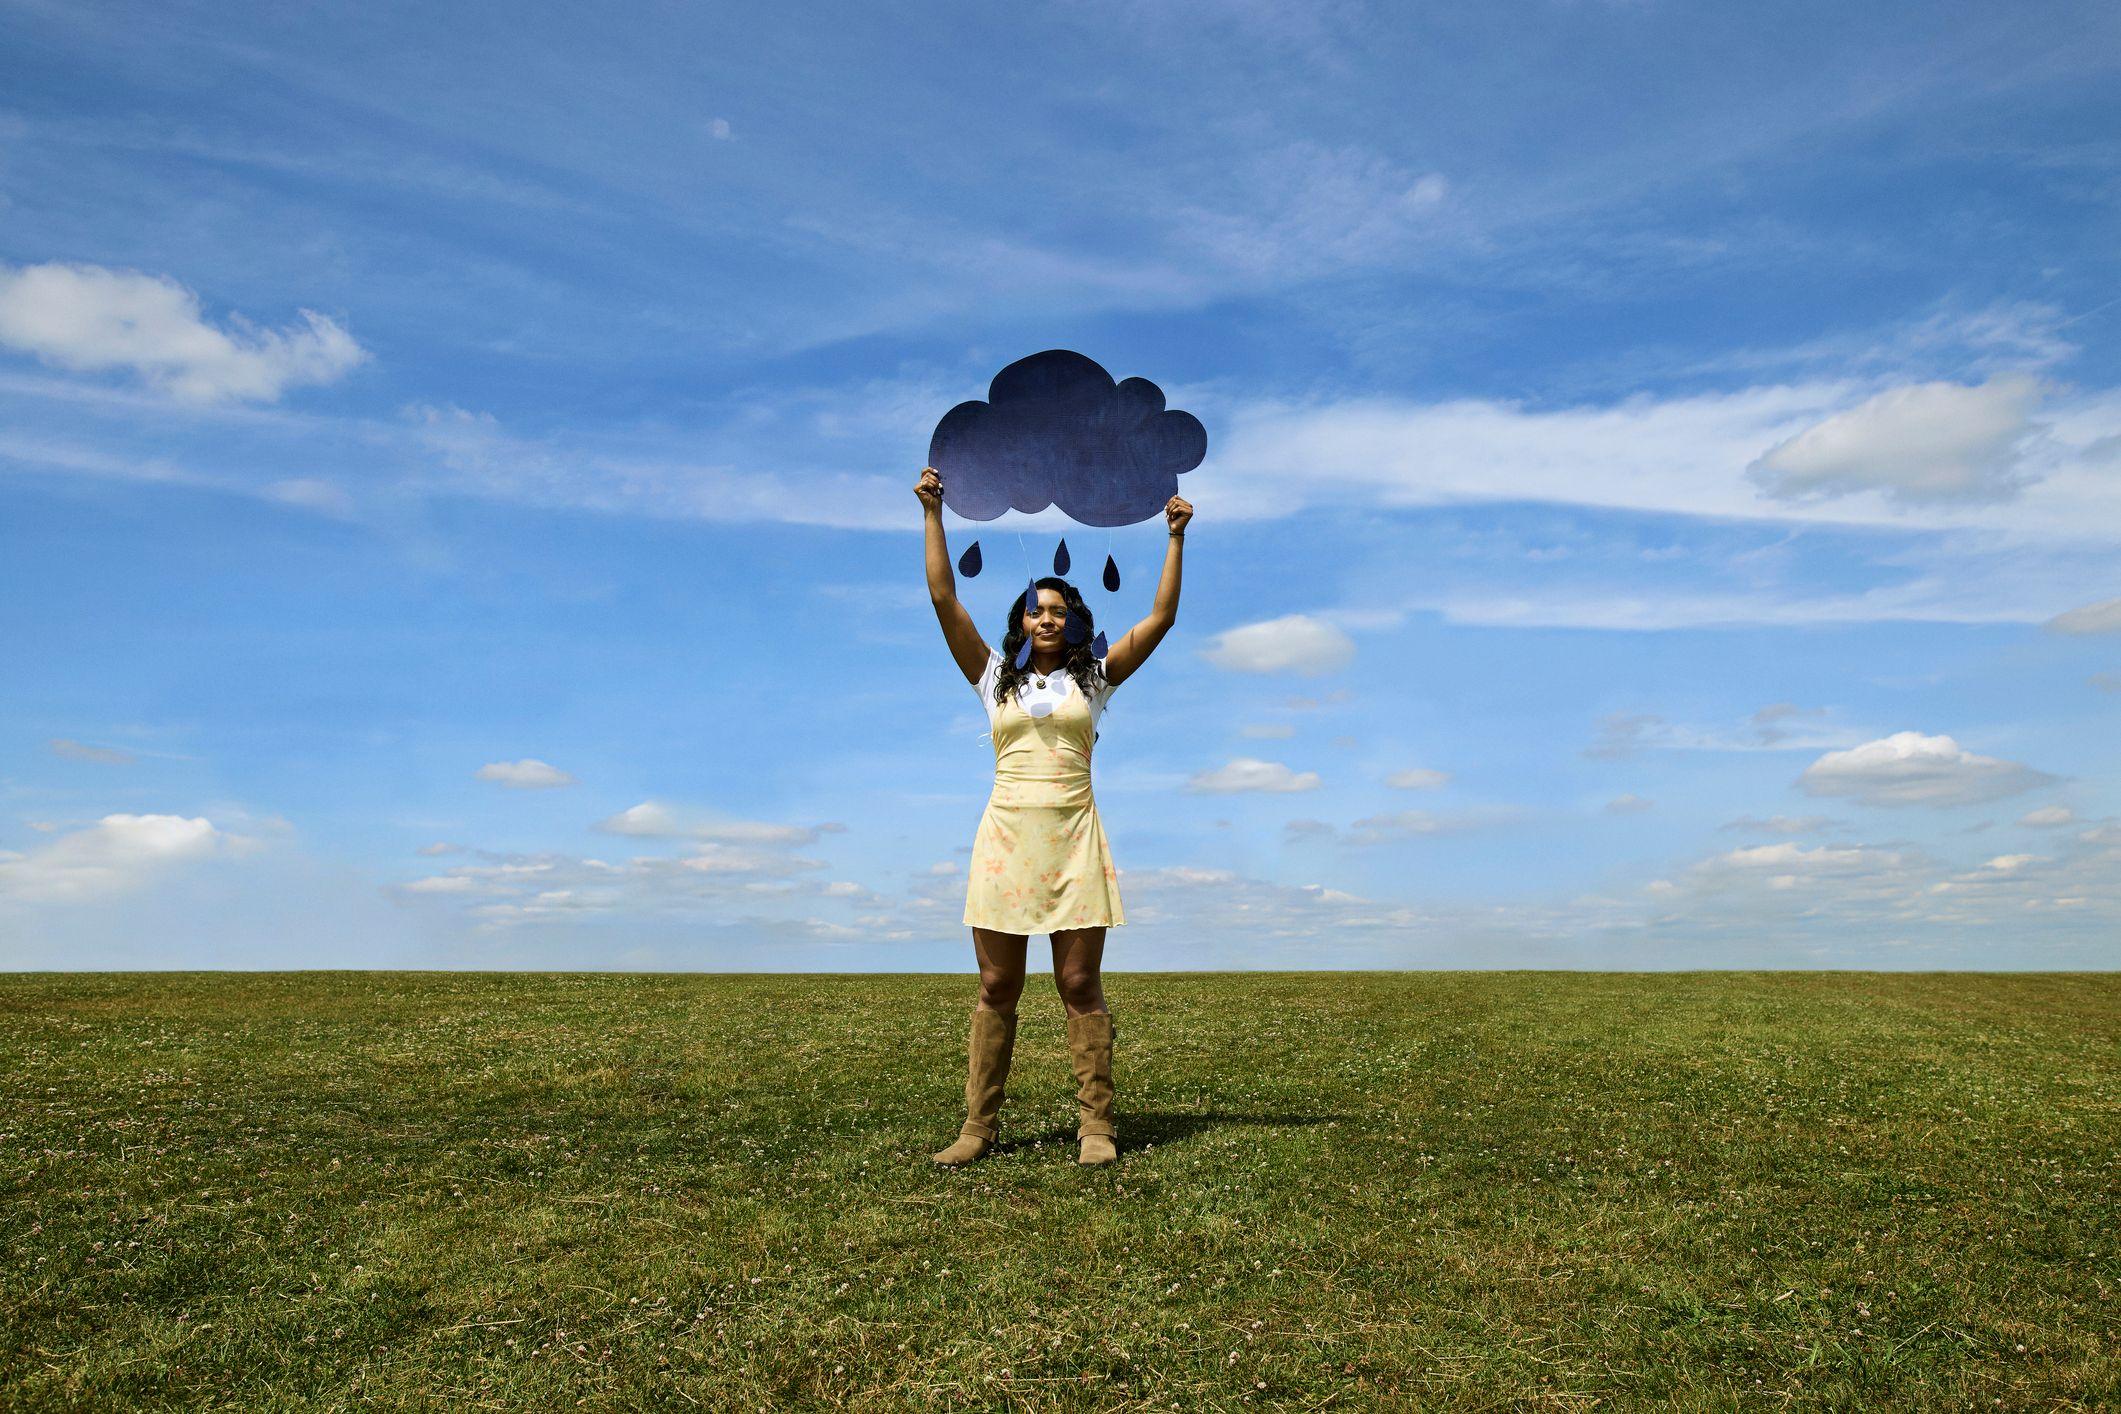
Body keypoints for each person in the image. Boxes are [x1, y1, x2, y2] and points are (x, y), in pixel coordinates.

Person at [915, 466, 1191, 1167]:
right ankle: (977, 1128)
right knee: (996, 986)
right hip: (1006, 840)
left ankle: (1094, 1126)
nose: (1047, 618)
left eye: (1058, 611)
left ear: (1072, 623)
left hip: (1072, 839)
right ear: (1021, 622)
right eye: (1037, 610)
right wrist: (932, 515)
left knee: (1077, 984)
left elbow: (1159, 621)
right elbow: (944, 598)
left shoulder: (1092, 680)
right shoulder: (990, 679)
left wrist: (1175, 538)